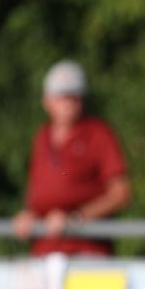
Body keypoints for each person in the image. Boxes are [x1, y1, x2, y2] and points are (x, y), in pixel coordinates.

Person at [12, 60, 131, 256]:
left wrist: (76, 219)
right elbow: (37, 192)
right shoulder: (41, 138)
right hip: (45, 251)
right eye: (61, 97)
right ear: (47, 102)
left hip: (87, 251)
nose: (67, 104)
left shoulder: (98, 134)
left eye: (73, 97)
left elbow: (121, 193)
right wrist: (28, 215)